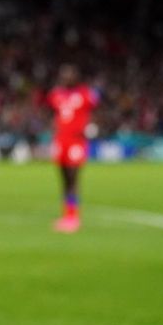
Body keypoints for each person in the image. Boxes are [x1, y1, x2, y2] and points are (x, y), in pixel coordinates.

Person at [46, 63, 99, 233]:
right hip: (61, 140)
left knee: (73, 177)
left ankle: (73, 217)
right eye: (63, 74)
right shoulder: (56, 95)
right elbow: (53, 114)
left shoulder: (85, 94)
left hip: (76, 141)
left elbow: (96, 109)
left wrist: (91, 126)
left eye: (68, 75)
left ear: (76, 77)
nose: (65, 78)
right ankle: (67, 215)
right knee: (63, 178)